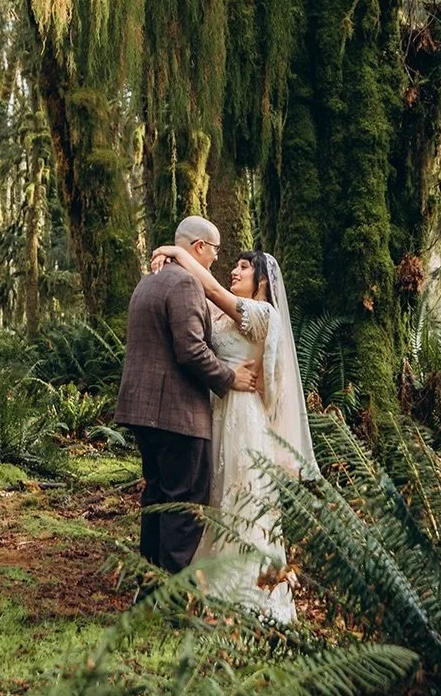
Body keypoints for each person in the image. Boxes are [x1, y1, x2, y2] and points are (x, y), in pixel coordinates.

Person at [149, 240, 316, 622]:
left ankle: (245, 590)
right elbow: (194, 303)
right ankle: (200, 582)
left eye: (243, 267)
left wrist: (175, 252)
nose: (234, 271)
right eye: (234, 266)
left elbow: (209, 288)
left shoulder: (261, 313)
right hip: (215, 407)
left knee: (241, 496)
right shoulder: (224, 316)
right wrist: (170, 266)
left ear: (261, 281)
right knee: (212, 492)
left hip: (243, 414)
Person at [115, 216, 259, 575]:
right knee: (184, 504)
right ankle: (173, 593)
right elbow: (191, 350)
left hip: (141, 410)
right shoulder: (184, 285)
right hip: (176, 414)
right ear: (198, 248)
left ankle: (148, 583)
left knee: (157, 498)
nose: (215, 260)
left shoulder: (148, 282)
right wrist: (229, 378)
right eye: (214, 251)